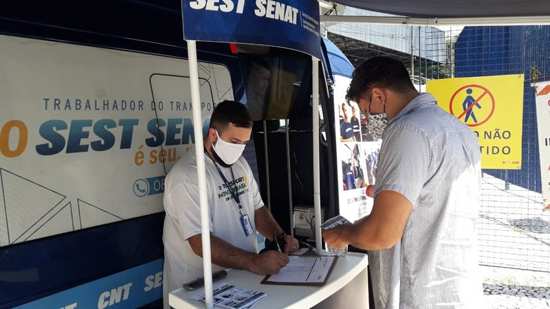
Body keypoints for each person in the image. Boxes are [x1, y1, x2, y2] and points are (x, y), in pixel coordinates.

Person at [323, 57, 483, 308]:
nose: (367, 119)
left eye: (366, 110)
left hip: (421, 293)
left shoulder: (407, 130)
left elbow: (381, 234)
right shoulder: (458, 128)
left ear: (378, 95)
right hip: (458, 286)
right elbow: (431, 197)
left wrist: (341, 234)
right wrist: (388, 194)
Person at [162, 100, 299, 308]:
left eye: (245, 143)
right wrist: (254, 262)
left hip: (239, 282)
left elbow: (257, 209)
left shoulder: (240, 164)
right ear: (213, 135)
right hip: (196, 292)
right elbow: (200, 242)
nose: (240, 150)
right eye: (234, 142)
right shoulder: (187, 176)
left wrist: (279, 236)